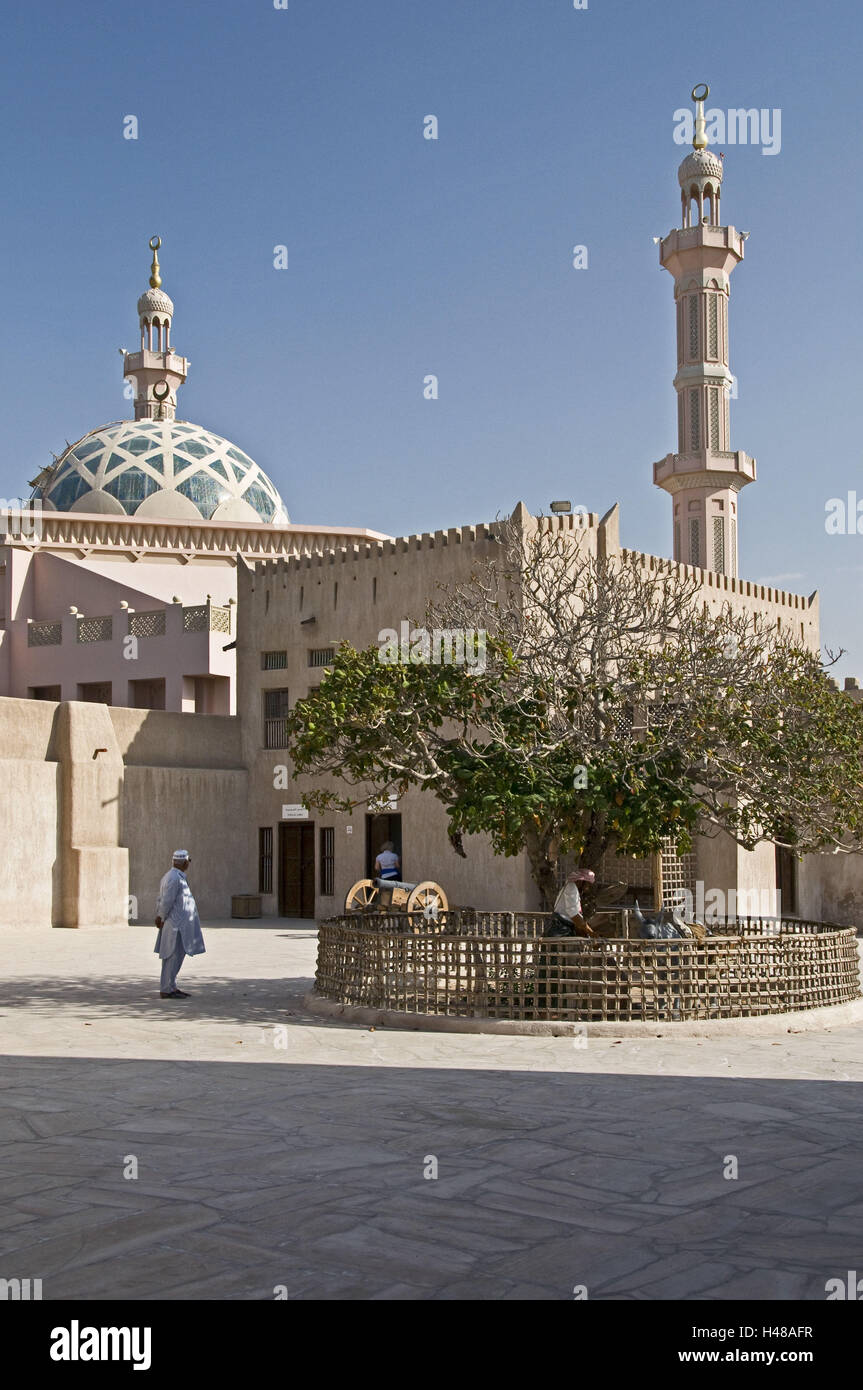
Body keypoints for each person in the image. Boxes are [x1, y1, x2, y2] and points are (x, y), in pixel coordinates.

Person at [154, 849, 206, 999]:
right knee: (171, 956)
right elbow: (166, 901)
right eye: (188, 862)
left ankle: (171, 986)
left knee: (177, 956)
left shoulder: (175, 876)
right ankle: (166, 989)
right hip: (175, 926)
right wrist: (160, 916)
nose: (188, 864)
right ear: (184, 862)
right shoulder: (174, 878)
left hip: (180, 926)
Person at [544, 869, 596, 937]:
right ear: (581, 881)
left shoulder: (574, 889)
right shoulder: (571, 888)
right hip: (561, 927)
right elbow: (574, 914)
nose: (588, 888)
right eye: (588, 884)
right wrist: (591, 932)